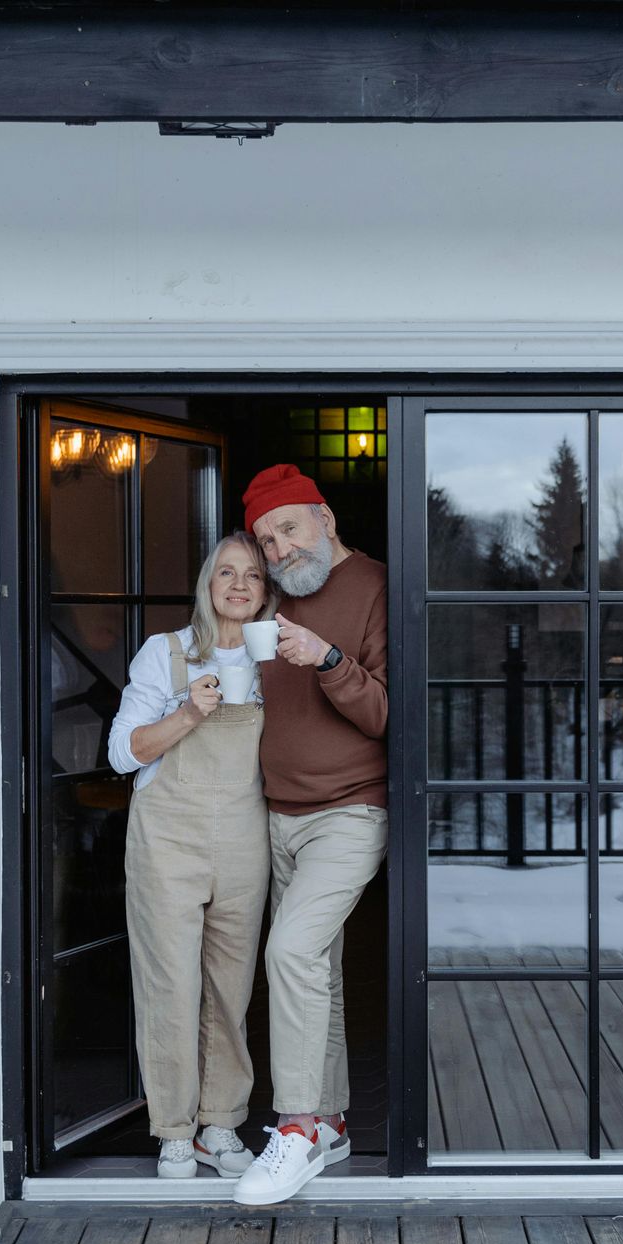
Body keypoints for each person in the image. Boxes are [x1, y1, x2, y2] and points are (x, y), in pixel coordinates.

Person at [231, 464, 389, 1206]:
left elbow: (393, 716)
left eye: (288, 527)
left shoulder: (379, 586)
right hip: (275, 813)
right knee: (313, 966)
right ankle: (329, 1122)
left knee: (291, 952)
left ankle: (292, 1130)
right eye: (267, 539)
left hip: (350, 810)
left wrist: (326, 659)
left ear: (324, 518)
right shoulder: (269, 600)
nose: (280, 549)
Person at [105, 532, 275, 1178]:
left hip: (242, 835)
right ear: (207, 585)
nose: (238, 585)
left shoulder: (271, 663)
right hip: (168, 837)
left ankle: (220, 1125)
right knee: (170, 983)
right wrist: (187, 714)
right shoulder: (165, 654)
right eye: (226, 573)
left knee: (230, 988)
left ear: (264, 594)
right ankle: (174, 1128)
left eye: (252, 576)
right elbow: (122, 752)